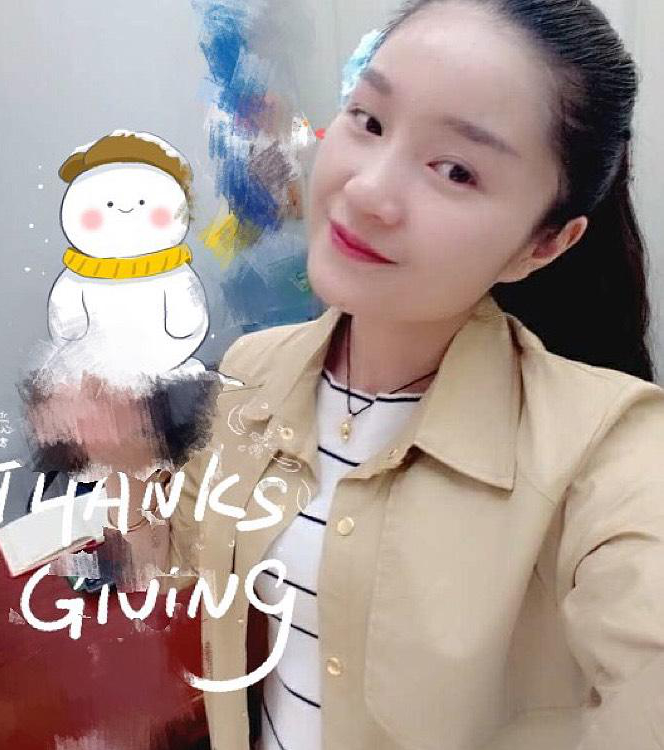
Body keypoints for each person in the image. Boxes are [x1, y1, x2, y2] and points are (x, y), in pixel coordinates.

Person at [100, 0, 664, 748]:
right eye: (368, 120)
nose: (365, 190)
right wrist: (127, 461)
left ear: (544, 245)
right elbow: (187, 576)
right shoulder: (251, 370)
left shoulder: (611, 449)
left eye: (456, 170)